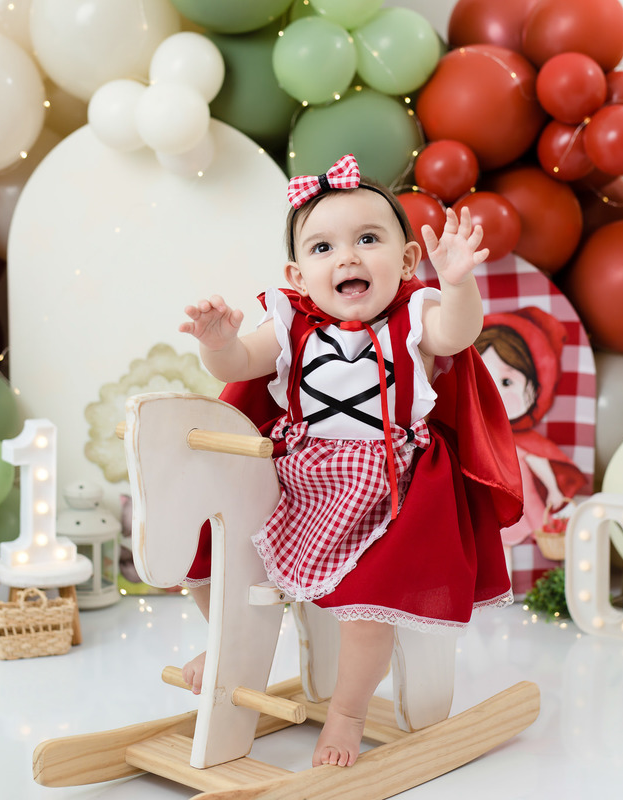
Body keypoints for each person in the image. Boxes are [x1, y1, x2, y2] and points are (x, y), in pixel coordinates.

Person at [178, 154, 522, 768]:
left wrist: (459, 282)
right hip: (297, 483)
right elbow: (236, 368)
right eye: (324, 247)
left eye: (369, 239)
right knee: (211, 548)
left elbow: (457, 335)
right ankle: (220, 642)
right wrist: (220, 343)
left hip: (389, 494)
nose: (348, 257)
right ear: (297, 272)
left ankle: (348, 711)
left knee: (366, 610)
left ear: (409, 261)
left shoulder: (417, 317)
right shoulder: (288, 325)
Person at [475, 309, 589, 554]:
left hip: (518, 501)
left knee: (507, 540)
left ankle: (507, 589)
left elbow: (537, 459)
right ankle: (501, 591)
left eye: (507, 382)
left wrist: (554, 489)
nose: (495, 393)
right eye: (483, 381)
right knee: (495, 544)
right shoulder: (474, 437)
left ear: (535, 390)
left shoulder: (520, 442)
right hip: (487, 503)